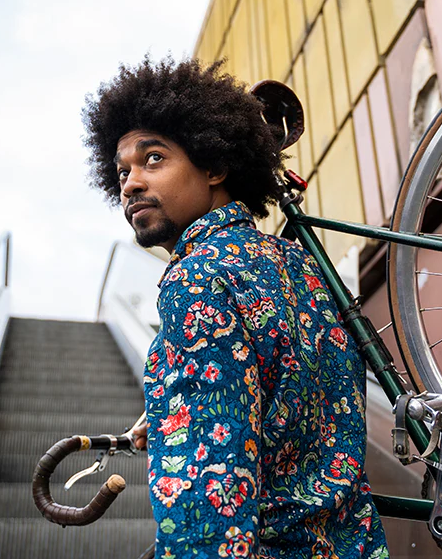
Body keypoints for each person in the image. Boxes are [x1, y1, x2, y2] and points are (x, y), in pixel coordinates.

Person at [83, 57, 389, 559]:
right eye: (122, 171)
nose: (131, 183)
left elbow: (210, 487)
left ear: (214, 166)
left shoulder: (196, 280)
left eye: (153, 158)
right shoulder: (297, 263)